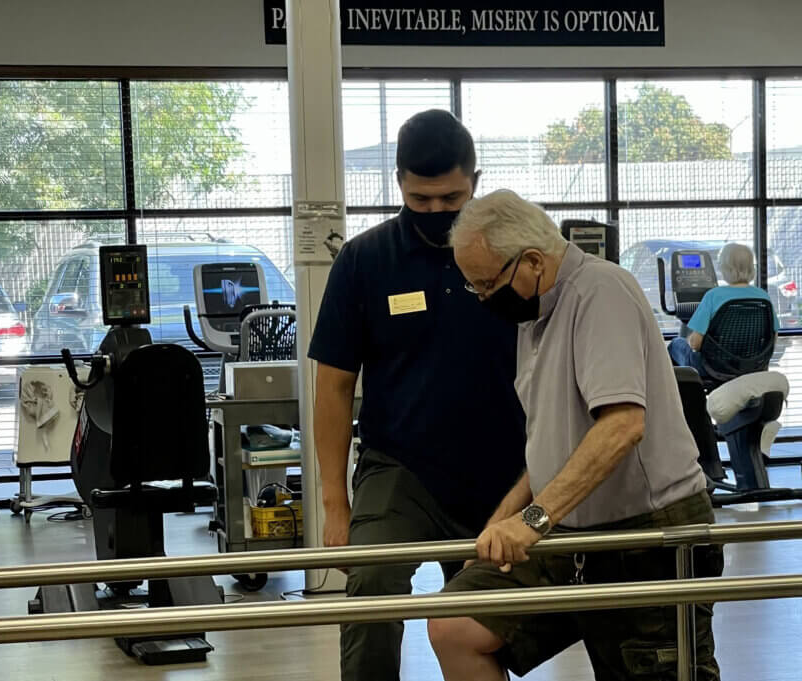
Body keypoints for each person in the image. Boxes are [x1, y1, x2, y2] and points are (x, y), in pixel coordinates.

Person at [428, 189, 723, 681]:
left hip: (645, 536)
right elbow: (556, 443)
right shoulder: (536, 313)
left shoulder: (600, 291)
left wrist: (534, 521)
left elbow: (622, 426)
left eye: (485, 284)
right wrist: (503, 521)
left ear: (533, 262)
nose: (482, 299)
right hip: (570, 534)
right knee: (456, 623)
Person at [307, 111, 526, 681]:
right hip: (398, 464)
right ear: (399, 181)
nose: (435, 212)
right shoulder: (365, 260)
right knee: (372, 580)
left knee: (479, 615)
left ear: (476, 180)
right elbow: (333, 385)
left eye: (450, 197)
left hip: (500, 468)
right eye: (419, 199)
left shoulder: (514, 257)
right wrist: (335, 503)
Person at [669, 242, 779, 377]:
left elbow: (695, 344)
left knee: (675, 344)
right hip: (753, 366)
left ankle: (682, 395)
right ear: (751, 267)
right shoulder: (763, 297)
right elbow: (773, 339)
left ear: (724, 268)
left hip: (713, 368)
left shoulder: (713, 296)